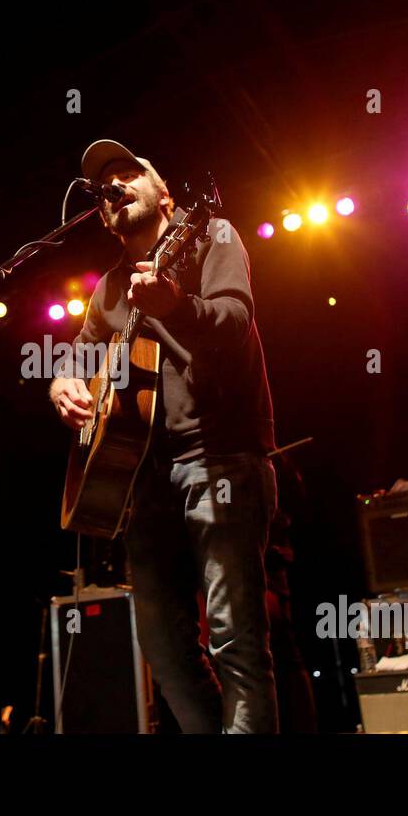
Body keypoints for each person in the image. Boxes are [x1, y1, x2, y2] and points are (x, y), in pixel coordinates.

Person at [49, 140, 280, 733]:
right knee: (162, 648)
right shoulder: (108, 286)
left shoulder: (212, 237)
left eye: (129, 173)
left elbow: (233, 323)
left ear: (165, 194)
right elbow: (78, 353)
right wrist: (63, 383)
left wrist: (174, 305)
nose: (116, 185)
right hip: (145, 481)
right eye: (107, 184)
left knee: (234, 639)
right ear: (100, 212)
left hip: (219, 459)